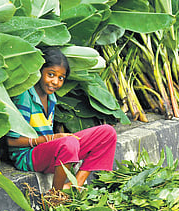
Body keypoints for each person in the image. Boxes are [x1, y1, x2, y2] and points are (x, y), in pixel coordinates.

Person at [6, 48, 117, 190]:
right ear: (39, 71)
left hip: (50, 150)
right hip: (28, 155)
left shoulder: (51, 97)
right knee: (69, 143)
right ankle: (56, 195)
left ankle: (75, 185)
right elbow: (11, 141)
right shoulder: (25, 96)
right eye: (50, 75)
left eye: (61, 78)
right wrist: (50, 139)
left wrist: (54, 140)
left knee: (108, 133)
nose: (55, 82)